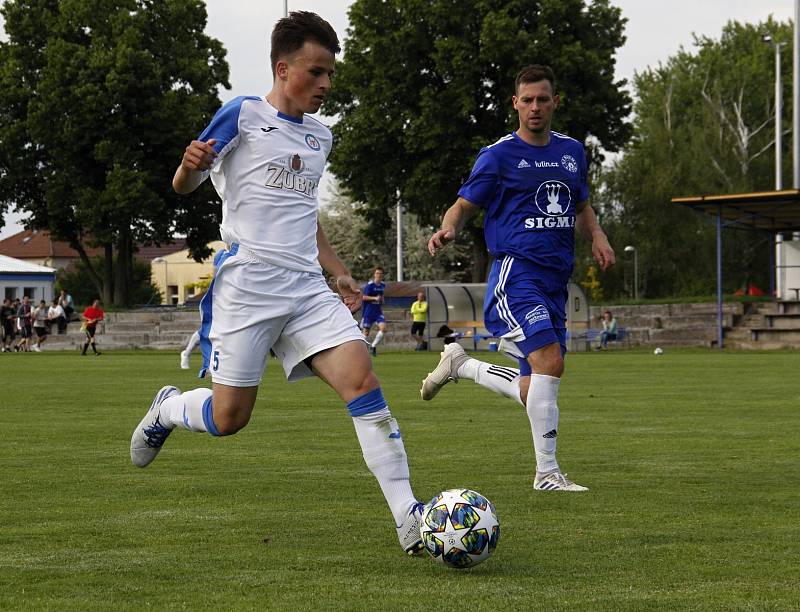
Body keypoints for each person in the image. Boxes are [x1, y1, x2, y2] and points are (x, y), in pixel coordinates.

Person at [129, 11, 424, 556]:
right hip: (248, 285)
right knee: (229, 418)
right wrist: (187, 165)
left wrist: (339, 273)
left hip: (307, 288)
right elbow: (186, 183)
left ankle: (410, 518)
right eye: (316, 72)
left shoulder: (321, 137)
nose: (326, 84)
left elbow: (304, 217)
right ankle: (169, 408)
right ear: (284, 68)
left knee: (362, 381)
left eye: (331, 73)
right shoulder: (242, 115)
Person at [425, 64, 615, 492]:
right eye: (526, 100)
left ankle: (463, 366)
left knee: (535, 390)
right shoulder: (498, 155)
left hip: (555, 279)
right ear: (515, 103)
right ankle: (547, 474)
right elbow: (462, 206)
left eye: (542, 99)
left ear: (554, 102)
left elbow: (581, 204)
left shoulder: (572, 152)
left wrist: (598, 237)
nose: (534, 107)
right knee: (550, 360)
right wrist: (449, 228)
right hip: (516, 272)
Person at [361, 266, 387, 356]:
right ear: (374, 274)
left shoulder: (383, 285)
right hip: (369, 312)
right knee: (366, 332)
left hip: (378, 311)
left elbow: (382, 296)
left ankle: (373, 346)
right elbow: (363, 297)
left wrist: (382, 300)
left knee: (384, 328)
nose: (379, 275)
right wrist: (375, 298)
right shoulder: (370, 285)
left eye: (380, 273)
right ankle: (364, 351)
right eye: (377, 273)